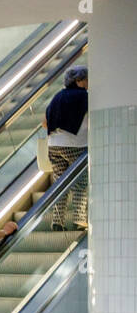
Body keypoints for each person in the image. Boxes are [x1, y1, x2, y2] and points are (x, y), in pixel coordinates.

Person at [44, 65, 88, 230]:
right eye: (86, 79)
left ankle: (57, 221)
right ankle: (79, 220)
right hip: (75, 145)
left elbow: (45, 122)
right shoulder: (84, 96)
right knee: (80, 181)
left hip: (53, 145)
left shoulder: (58, 96)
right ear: (79, 81)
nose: (88, 82)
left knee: (60, 182)